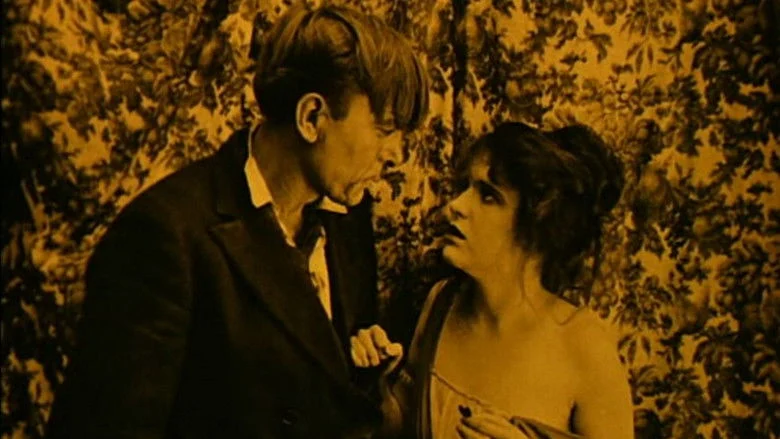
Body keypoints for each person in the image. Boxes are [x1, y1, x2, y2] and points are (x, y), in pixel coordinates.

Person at [46, 3, 428, 438]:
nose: (397, 155)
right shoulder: (164, 236)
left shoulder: (346, 219)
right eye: (385, 129)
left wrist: (364, 375)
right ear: (311, 117)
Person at [352, 122, 634, 438]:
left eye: (488, 196)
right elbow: (401, 429)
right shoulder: (441, 302)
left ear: (537, 226)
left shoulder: (585, 348)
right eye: (466, 187)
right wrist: (375, 381)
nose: (455, 206)